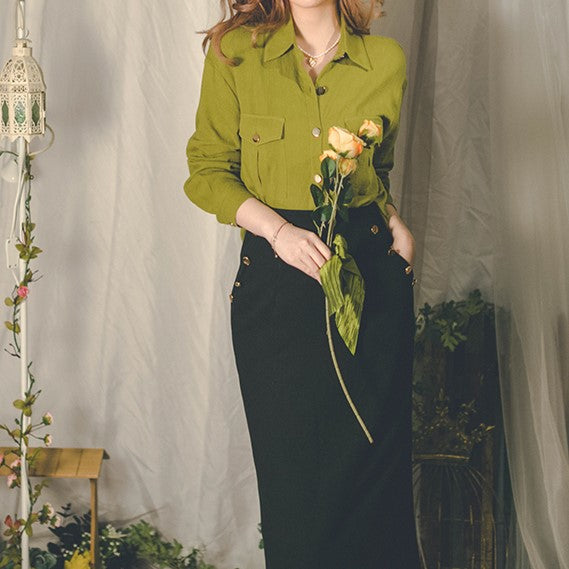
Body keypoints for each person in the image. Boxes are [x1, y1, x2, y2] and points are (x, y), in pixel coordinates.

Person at [184, 0, 422, 567]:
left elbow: (378, 171)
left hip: (370, 282)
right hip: (278, 287)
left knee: (375, 482)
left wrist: (395, 222)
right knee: (296, 489)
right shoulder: (235, 53)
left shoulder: (386, 60)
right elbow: (207, 171)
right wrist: (278, 232)